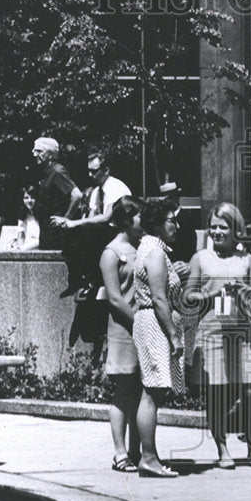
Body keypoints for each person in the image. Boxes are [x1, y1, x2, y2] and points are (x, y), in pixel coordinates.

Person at [185, 203, 251, 470]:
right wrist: (210, 294)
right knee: (218, 394)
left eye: (223, 227)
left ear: (236, 230)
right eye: (213, 227)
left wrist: (244, 289)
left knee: (250, 391)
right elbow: (188, 296)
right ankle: (222, 448)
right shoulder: (201, 258)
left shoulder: (246, 259)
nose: (217, 232)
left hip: (242, 332)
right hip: (212, 331)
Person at [131, 197, 185, 478]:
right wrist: (174, 336)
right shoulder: (154, 251)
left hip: (151, 320)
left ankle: (149, 455)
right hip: (155, 322)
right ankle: (148, 457)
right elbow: (159, 298)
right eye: (171, 220)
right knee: (152, 390)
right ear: (156, 223)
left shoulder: (153, 249)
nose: (176, 225)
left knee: (154, 389)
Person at [99, 196, 145, 473]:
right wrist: (140, 321)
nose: (144, 223)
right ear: (128, 219)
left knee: (142, 391)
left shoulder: (143, 247)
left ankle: (138, 450)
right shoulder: (111, 252)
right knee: (124, 391)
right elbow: (115, 299)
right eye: (140, 217)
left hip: (143, 328)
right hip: (123, 329)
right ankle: (120, 453)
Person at [53, 152, 132, 296]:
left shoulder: (115, 187)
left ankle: (93, 278)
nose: (90, 175)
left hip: (120, 234)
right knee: (74, 233)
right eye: (88, 171)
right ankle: (77, 279)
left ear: (106, 170)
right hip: (102, 234)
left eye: (94, 171)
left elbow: (106, 217)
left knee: (85, 229)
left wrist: (75, 223)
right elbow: (91, 217)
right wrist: (69, 226)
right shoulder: (96, 191)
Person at [31, 136, 82, 255]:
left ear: (51, 154)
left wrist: (67, 218)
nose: (34, 154)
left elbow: (77, 195)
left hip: (57, 235)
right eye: (34, 151)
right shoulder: (46, 173)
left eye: (39, 151)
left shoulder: (57, 172)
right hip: (48, 232)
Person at [7, 185, 41, 251]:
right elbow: (21, 235)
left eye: (32, 198)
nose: (29, 200)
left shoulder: (41, 215)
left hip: (37, 247)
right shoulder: (23, 215)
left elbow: (40, 241)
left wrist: (21, 248)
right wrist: (18, 247)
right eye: (26, 198)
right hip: (26, 248)